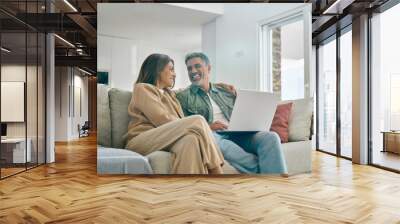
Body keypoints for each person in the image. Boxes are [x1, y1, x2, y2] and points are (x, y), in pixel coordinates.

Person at [176, 52, 288, 174]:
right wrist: (208, 127)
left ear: (208, 68)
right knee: (212, 139)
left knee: (271, 137)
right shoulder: (183, 97)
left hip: (237, 132)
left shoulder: (225, 90)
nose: (193, 71)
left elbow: (241, 111)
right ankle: (263, 173)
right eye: (189, 68)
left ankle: (273, 179)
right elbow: (184, 125)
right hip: (213, 134)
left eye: (197, 66)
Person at [125, 53, 224, 174]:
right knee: (198, 120)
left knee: (191, 140)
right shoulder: (142, 89)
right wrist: (190, 125)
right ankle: (217, 172)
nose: (175, 74)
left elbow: (194, 88)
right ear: (158, 70)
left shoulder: (170, 95)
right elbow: (161, 119)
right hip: (141, 140)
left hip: (166, 138)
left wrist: (221, 86)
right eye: (171, 69)